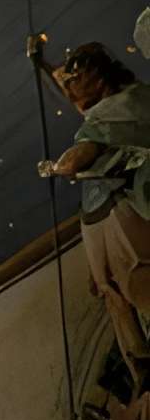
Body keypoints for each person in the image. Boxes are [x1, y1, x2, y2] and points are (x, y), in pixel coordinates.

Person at [38, 40, 150, 385]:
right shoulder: (130, 101)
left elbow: (79, 158)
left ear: (98, 78)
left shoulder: (117, 111)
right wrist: (40, 65)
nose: (70, 88)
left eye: (76, 79)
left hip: (132, 216)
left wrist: (56, 167)